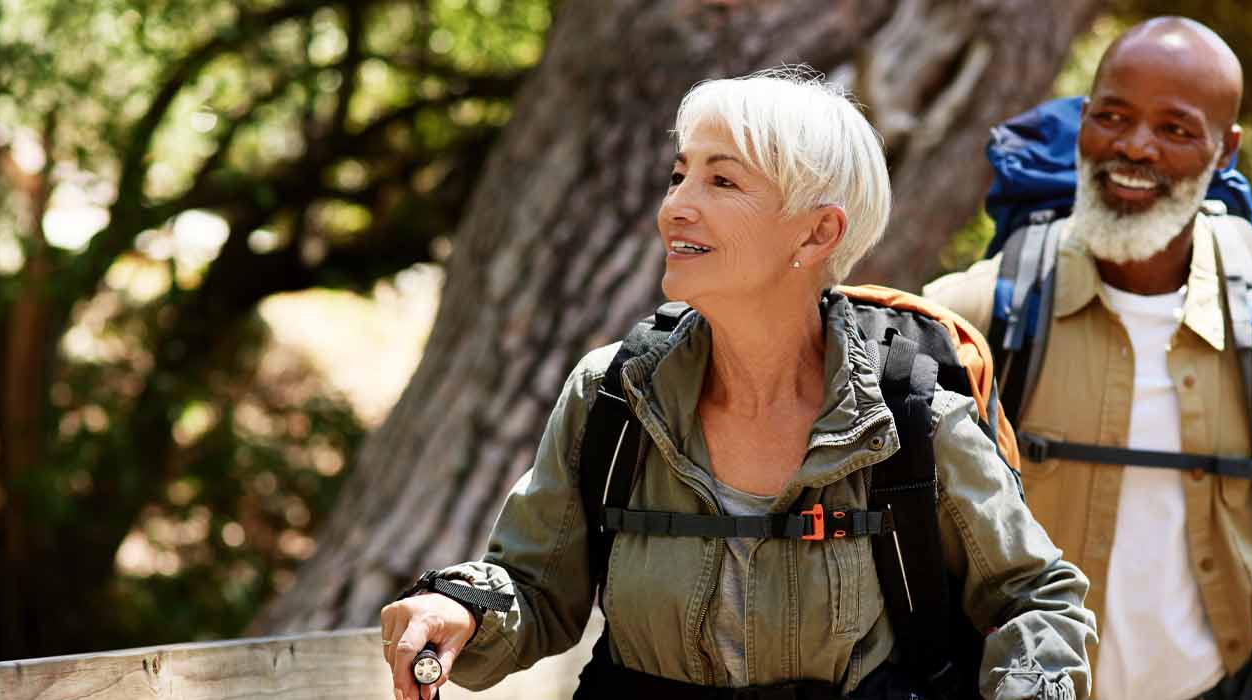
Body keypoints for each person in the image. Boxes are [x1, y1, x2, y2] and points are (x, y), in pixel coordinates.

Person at [378, 67, 1096, 700]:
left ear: (817, 235)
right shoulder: (613, 397)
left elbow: (1038, 600)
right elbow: (537, 591)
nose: (676, 206)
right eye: (679, 175)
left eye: (722, 181)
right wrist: (463, 610)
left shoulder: (912, 421)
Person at [925, 17, 1252, 699]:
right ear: (1083, 123)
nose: (1134, 147)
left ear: (1226, 151)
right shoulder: (971, 318)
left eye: (1176, 129)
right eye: (1113, 116)